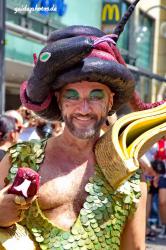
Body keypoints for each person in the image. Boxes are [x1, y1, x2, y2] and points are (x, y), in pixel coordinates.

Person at [0, 1, 164, 249]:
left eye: (96, 96)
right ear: (58, 100)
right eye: (72, 96)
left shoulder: (129, 178)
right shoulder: (19, 160)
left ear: (110, 102)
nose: (83, 109)